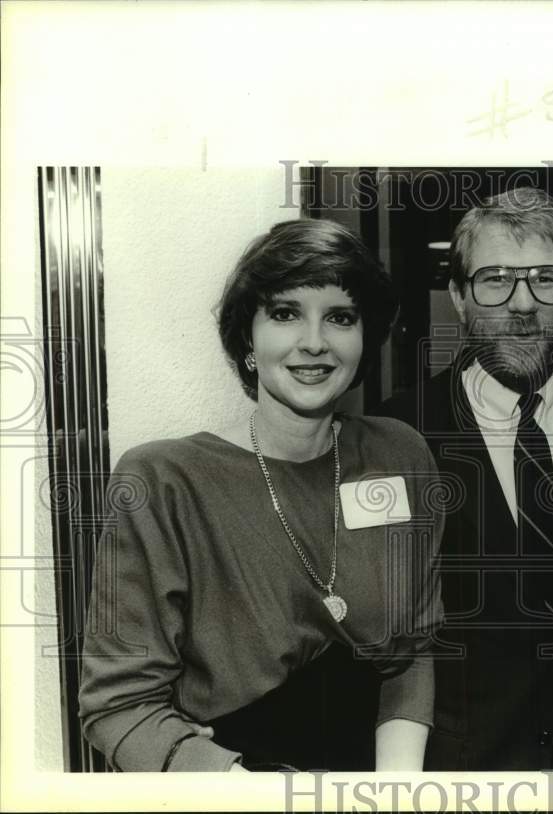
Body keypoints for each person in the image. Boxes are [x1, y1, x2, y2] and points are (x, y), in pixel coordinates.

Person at [79, 218, 443, 772]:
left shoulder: (399, 454)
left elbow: (410, 653)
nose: (314, 342)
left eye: (340, 317)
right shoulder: (165, 479)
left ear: (365, 336)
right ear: (248, 336)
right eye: (284, 313)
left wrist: (395, 790)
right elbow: (116, 707)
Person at [377, 188, 553, 770]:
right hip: (459, 775)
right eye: (495, 279)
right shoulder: (398, 433)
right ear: (457, 296)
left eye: (547, 280)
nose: (522, 304)